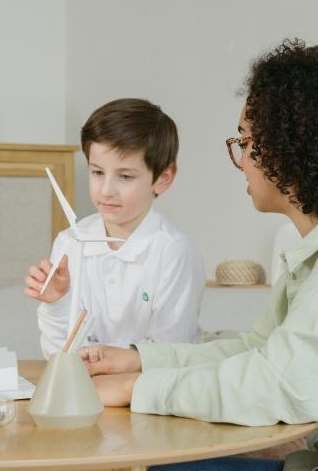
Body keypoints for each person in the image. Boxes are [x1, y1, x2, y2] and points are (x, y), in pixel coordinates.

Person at [82, 40, 318, 471]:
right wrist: (139, 361)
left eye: (246, 142)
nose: (240, 158)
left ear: (292, 151)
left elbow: (280, 385)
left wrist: (140, 391)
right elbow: (256, 350)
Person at [25, 98, 205, 358]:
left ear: (162, 179)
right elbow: (59, 355)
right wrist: (57, 303)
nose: (107, 190)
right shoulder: (70, 243)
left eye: (125, 176)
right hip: (90, 389)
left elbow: (169, 354)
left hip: (156, 393)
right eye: (97, 172)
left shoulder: (174, 252)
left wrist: (99, 361)